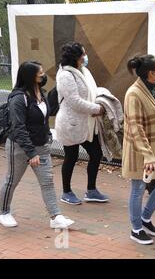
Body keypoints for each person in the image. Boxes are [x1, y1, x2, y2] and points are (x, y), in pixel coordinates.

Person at [0, 61, 74, 229]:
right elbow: (18, 127)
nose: (43, 74)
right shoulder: (18, 98)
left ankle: (55, 216)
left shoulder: (42, 93)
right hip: (19, 147)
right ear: (30, 76)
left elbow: (47, 115)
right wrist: (31, 153)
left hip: (41, 146)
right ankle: (3, 213)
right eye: (40, 72)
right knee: (12, 180)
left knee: (47, 181)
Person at [123, 54, 155, 245]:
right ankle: (136, 229)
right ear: (151, 73)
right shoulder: (133, 94)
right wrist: (147, 155)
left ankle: (145, 218)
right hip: (140, 150)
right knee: (138, 188)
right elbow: (136, 127)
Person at [55, 42, 109, 205]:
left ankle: (91, 190)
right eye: (83, 54)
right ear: (76, 58)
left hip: (86, 122)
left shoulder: (82, 71)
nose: (86, 57)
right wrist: (97, 108)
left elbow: (89, 92)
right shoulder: (65, 75)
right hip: (71, 124)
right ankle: (66, 192)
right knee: (71, 156)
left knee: (96, 154)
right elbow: (74, 101)